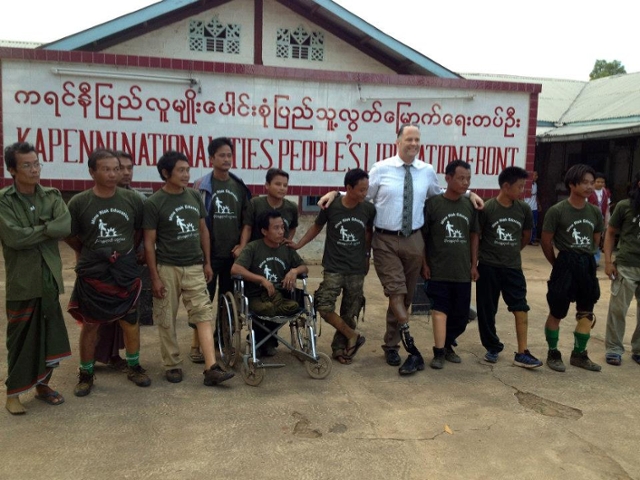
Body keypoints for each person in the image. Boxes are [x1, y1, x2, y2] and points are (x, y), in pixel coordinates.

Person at [318, 123, 483, 376]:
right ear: (398, 141)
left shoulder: (426, 171)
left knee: (405, 295)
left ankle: (391, 345)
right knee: (395, 290)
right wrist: (335, 192)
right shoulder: (381, 169)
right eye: (409, 139)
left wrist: (469, 193)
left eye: (417, 139)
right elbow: (362, 193)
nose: (414, 144)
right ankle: (405, 341)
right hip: (385, 239)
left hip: (414, 240)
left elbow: (439, 193)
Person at [143, 151, 234, 385]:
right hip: (167, 268)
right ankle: (172, 364)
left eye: (188, 170)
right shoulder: (154, 203)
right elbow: (149, 243)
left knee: (203, 314)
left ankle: (211, 367)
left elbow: (203, 230)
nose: (186, 174)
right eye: (181, 170)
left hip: (194, 265)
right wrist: (154, 277)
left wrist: (207, 262)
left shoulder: (194, 196)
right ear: (166, 173)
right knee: (166, 317)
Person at [66, 148, 151, 397]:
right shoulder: (79, 202)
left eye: (116, 168)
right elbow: (70, 235)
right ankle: (86, 373)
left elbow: (137, 231)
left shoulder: (132, 199)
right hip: (94, 275)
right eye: (106, 169)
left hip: (125, 273)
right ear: (92, 171)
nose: (114, 174)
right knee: (90, 325)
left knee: (131, 322)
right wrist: (91, 252)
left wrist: (126, 252)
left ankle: (134, 366)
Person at [1, 142, 72, 415]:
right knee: (20, 340)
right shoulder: (4, 200)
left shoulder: (52, 195)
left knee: (50, 337)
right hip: (23, 281)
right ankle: (13, 394)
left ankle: (44, 386)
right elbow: (14, 238)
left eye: (37, 163)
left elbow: (64, 226)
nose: (34, 170)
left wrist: (32, 231)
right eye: (27, 165)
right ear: (12, 170)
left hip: (49, 278)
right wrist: (47, 230)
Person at [287, 168, 374, 364]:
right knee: (323, 305)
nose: (364, 193)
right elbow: (316, 227)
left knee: (350, 310)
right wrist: (299, 244)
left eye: (366, 189)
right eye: (361, 190)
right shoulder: (332, 206)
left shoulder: (368, 209)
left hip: (356, 269)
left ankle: (340, 348)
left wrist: (367, 255)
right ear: (348, 188)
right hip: (334, 267)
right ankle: (352, 335)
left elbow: (369, 233)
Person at [190, 137, 250, 363]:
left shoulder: (239, 186)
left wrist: (242, 245)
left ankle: (223, 341)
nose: (226, 159)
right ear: (211, 158)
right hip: (207, 256)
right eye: (222, 155)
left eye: (229, 155)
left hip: (232, 257)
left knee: (229, 301)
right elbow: (196, 222)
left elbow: (247, 221)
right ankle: (196, 345)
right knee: (202, 301)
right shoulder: (200, 186)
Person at [476, 167, 543, 368]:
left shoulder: (523, 209)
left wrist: (511, 251)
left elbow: (525, 236)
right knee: (487, 309)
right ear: (506, 186)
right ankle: (492, 346)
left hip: (513, 267)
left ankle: (522, 351)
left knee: (520, 306)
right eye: (520, 186)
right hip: (488, 266)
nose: (523, 190)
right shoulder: (488, 209)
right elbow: (478, 237)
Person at [541, 164, 604, 372]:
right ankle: (553, 352)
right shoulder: (557, 211)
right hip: (565, 263)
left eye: (591, 182)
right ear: (571, 184)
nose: (589, 186)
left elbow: (596, 239)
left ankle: (579, 354)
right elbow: (546, 241)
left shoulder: (595, 212)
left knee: (587, 311)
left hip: (586, 264)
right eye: (584, 182)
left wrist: (586, 259)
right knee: (557, 311)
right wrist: (557, 263)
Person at [93, 151, 149, 375]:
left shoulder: (138, 199)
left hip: (128, 265)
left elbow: (143, 231)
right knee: (100, 314)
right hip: (100, 267)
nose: (124, 173)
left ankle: (122, 357)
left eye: (128, 168)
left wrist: (140, 252)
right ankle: (101, 356)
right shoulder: (95, 199)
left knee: (127, 315)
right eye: (120, 168)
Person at [422, 160, 479, 369]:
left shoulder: (469, 206)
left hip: (462, 271)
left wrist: (474, 264)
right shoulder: (433, 204)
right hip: (438, 269)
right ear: (447, 178)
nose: (465, 183)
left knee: (462, 315)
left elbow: (474, 236)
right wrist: (424, 263)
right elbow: (423, 237)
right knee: (439, 310)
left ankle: (447, 343)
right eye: (461, 178)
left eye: (468, 179)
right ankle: (439, 352)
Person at [236, 168, 298, 355]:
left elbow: (292, 228)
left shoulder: (290, 207)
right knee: (260, 302)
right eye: (278, 184)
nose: (282, 188)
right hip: (256, 257)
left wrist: (286, 240)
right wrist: (242, 247)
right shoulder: (256, 204)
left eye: (285, 185)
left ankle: (268, 339)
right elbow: (247, 227)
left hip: (277, 255)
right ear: (267, 185)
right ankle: (260, 338)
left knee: (280, 297)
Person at [231, 211, 308, 326]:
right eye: (276, 228)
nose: (281, 232)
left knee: (295, 306)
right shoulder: (253, 248)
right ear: (264, 231)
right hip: (257, 295)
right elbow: (235, 269)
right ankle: (268, 326)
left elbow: (304, 268)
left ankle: (273, 316)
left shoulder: (286, 248)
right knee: (267, 308)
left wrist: (294, 271)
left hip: (279, 295)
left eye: (282, 227)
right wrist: (261, 280)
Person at [602, 171, 640, 366]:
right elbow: (610, 233)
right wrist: (608, 261)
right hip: (627, 265)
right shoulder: (625, 206)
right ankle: (614, 348)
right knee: (618, 309)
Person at [588, 172, 611, 265]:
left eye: (602, 182)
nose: (600, 184)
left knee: (598, 238)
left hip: (601, 218)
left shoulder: (606, 192)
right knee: (590, 237)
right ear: (594, 182)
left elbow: (608, 206)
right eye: (598, 182)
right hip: (591, 217)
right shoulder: (589, 191)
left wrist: (607, 220)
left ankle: (595, 260)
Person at [524, 170, 540, 245]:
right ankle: (528, 239)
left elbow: (535, 195)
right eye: (535, 175)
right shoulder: (526, 185)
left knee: (534, 223)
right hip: (527, 206)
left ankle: (532, 239)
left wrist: (538, 204)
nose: (536, 177)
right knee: (529, 224)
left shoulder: (535, 184)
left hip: (534, 207)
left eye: (537, 175)